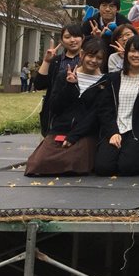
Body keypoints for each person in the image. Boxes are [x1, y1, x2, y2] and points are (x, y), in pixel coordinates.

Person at [24, 38, 113, 176]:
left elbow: (95, 115)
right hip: (60, 129)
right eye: (90, 55)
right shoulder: (64, 75)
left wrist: (73, 136)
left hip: (85, 133)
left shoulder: (105, 82)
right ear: (82, 54)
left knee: (75, 164)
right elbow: (55, 107)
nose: (94, 60)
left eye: (99, 58)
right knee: (38, 164)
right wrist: (69, 86)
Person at [94, 35, 139, 176]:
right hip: (115, 128)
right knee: (103, 168)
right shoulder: (112, 78)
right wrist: (112, 132)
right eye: (132, 51)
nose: (136, 55)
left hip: (137, 132)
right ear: (126, 54)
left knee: (128, 168)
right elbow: (104, 109)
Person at [34, 24, 85, 136]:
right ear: (61, 41)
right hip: (55, 116)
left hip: (80, 116)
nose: (72, 40)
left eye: (76, 36)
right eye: (67, 37)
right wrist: (47, 61)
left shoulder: (89, 61)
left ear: (83, 38)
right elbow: (39, 85)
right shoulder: (56, 61)